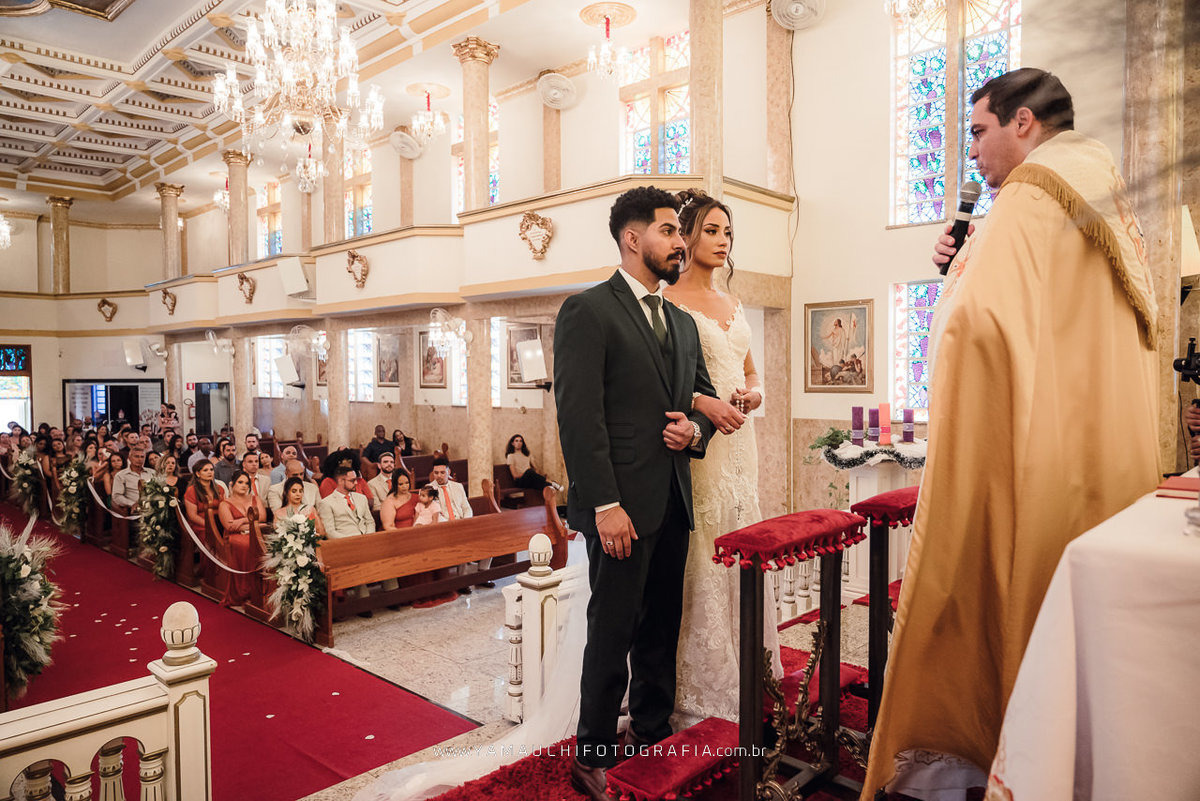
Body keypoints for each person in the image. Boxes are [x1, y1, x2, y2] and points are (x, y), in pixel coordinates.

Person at [861, 69, 1161, 800]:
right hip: (1098, 461)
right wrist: (967, 257)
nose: (974, 152)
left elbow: (978, 329)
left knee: (991, 598)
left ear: (1023, 123)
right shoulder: (1104, 193)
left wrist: (963, 274)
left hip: (1031, 456)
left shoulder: (1032, 195)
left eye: (978, 130)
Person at [553, 185, 717, 798]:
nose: (682, 242)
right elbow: (580, 417)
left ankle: (650, 733)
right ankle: (591, 750)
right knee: (613, 628)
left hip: (671, 499)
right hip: (618, 504)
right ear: (633, 238)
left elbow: (696, 396)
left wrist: (693, 429)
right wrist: (604, 505)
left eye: (681, 233)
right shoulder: (588, 311)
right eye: (671, 231)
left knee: (660, 627)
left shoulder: (681, 321)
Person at [663, 188, 783, 726]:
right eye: (710, 230)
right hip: (702, 449)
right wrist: (704, 404)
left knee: (742, 533)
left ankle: (748, 663)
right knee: (704, 547)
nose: (721, 240)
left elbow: (751, 372)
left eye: (727, 232)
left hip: (743, 446)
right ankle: (702, 683)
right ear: (686, 236)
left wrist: (753, 395)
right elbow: (662, 383)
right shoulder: (668, 304)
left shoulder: (734, 305)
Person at [429, 457, 481, 592]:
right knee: (461, 540)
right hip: (443, 527)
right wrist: (452, 526)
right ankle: (461, 582)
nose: (439, 476)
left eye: (442, 472)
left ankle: (483, 574)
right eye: (436, 473)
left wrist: (465, 522)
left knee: (488, 537)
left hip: (462, 524)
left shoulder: (458, 486)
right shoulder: (429, 489)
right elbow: (435, 514)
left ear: (448, 471)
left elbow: (466, 508)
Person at [216, 470, 264, 608]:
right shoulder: (225, 504)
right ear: (232, 484)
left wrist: (243, 520)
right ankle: (246, 591)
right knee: (248, 545)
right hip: (234, 538)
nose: (244, 485)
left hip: (255, 532)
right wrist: (251, 522)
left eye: (247, 483)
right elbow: (230, 526)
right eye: (240, 482)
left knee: (264, 544)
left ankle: (263, 589)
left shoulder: (255, 499)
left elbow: (263, 518)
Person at [183, 461, 226, 577]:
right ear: (198, 474)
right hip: (200, 524)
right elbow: (192, 516)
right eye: (205, 470)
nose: (210, 472)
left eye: (211, 470)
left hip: (218, 522)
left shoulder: (219, 488)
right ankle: (209, 574)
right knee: (208, 537)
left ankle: (225, 570)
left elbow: (224, 509)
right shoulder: (191, 490)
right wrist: (210, 525)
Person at [111, 446, 150, 514]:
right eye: (136, 456)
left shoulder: (152, 473)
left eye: (142, 457)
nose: (139, 459)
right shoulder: (121, 475)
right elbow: (117, 496)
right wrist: (132, 504)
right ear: (129, 458)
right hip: (135, 510)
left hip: (154, 508)